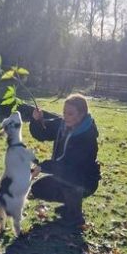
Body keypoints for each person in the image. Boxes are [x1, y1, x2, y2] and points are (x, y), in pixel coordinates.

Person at [29, 94, 101, 225]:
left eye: (70, 114)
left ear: (81, 114)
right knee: (39, 188)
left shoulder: (87, 138)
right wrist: (36, 120)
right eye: (64, 113)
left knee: (70, 178)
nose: (65, 117)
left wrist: (42, 166)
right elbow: (42, 133)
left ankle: (75, 215)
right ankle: (69, 204)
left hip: (84, 180)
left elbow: (69, 165)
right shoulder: (62, 125)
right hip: (64, 173)